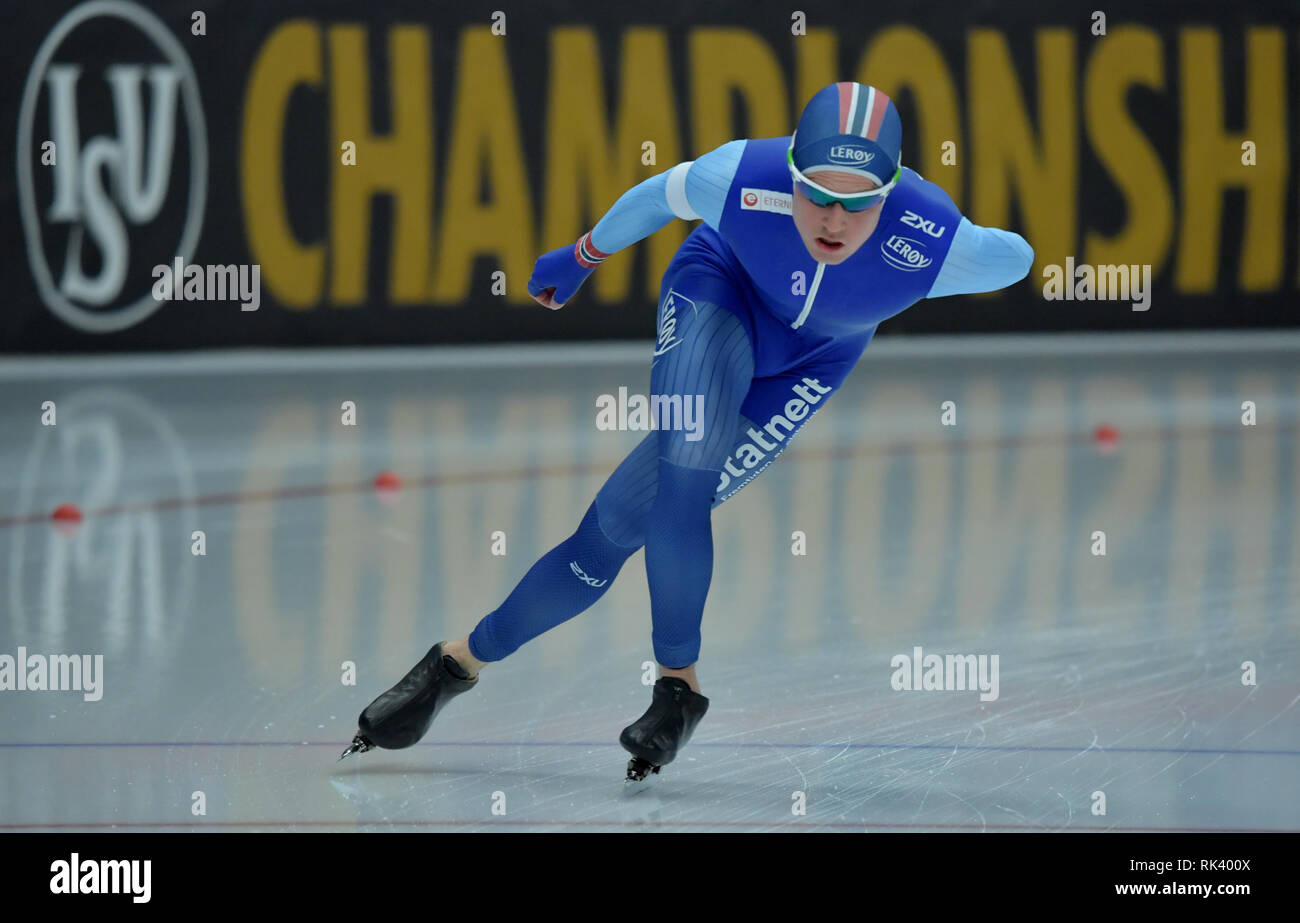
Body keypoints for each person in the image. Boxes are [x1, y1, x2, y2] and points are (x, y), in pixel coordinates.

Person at [341, 82, 1034, 781]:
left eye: (859, 202)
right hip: (717, 295)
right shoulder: (740, 175)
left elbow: (1020, 256)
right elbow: (655, 196)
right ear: (789, 169)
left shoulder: (938, 239)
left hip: (811, 363)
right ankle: (630, 679)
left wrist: (923, 208)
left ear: (890, 193)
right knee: (672, 485)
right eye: (816, 193)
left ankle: (492, 665)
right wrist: (581, 256)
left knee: (615, 526)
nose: (833, 219)